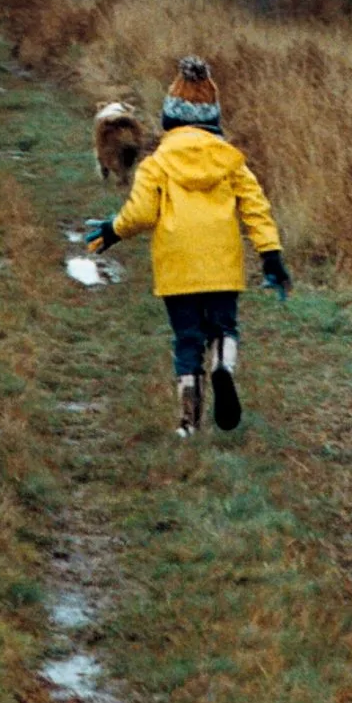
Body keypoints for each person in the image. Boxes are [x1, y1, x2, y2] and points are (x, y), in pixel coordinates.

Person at [85, 56, 289, 437]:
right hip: (222, 265)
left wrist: (113, 229)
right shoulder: (232, 162)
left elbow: (142, 214)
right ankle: (224, 367)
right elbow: (257, 209)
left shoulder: (157, 162)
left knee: (187, 339)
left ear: (169, 118)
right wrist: (271, 255)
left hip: (177, 267)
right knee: (224, 327)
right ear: (214, 119)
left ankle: (187, 422)